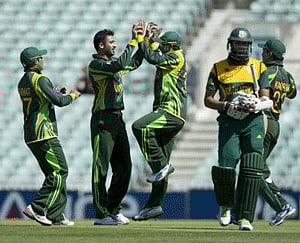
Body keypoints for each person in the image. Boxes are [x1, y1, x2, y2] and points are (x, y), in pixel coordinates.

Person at [204, 27, 274, 231]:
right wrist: (226, 106)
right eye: (237, 43)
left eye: (244, 44)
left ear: (249, 46)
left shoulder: (258, 67)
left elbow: (266, 97)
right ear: (230, 44)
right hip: (229, 122)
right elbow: (208, 100)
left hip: (253, 121)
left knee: (252, 168)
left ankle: (245, 217)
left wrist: (256, 103)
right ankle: (225, 207)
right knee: (226, 166)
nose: (241, 48)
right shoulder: (218, 68)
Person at [88, 25, 144, 225]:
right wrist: (133, 41)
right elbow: (121, 64)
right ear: (101, 45)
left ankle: (112, 208)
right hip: (103, 119)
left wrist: (143, 41)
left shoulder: (113, 64)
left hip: (117, 119)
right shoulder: (96, 65)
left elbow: (134, 62)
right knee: (101, 168)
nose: (115, 45)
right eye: (112, 42)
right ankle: (101, 214)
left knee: (124, 167)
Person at [18, 47, 81, 226]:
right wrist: (73, 95)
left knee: (53, 173)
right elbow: (60, 102)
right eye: (40, 58)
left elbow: (43, 98)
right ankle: (37, 208)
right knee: (60, 170)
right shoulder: (41, 79)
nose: (43, 60)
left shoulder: (23, 81)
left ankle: (57, 215)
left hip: (31, 133)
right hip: (43, 132)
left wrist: (55, 91)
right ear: (35, 61)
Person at [131, 24, 187, 221]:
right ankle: (154, 205)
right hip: (168, 111)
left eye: (164, 44)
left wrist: (142, 40)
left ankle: (162, 166)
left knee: (138, 127)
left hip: (171, 111)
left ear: (171, 46)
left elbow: (153, 57)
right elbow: (156, 54)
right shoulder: (172, 56)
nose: (160, 47)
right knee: (160, 171)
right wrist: (152, 40)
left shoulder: (176, 56)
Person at [257, 39, 297, 226]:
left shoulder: (268, 73)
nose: (262, 54)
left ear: (270, 54)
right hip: (276, 125)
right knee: (260, 168)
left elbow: (264, 99)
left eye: (264, 51)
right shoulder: (287, 76)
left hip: (265, 122)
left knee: (253, 170)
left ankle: (281, 206)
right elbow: (293, 93)